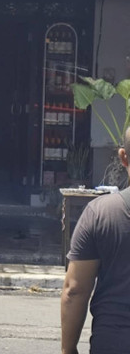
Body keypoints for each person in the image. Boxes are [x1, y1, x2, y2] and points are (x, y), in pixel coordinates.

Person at [61, 125, 130, 354]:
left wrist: (68, 349)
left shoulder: (100, 213)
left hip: (113, 342)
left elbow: (74, 290)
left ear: (123, 156)